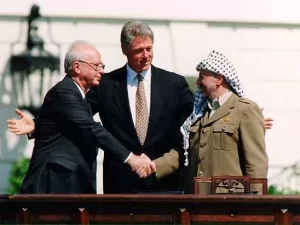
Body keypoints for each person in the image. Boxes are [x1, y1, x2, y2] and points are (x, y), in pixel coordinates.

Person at [8, 21, 273, 194]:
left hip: (165, 185)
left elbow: (200, 113)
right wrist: (39, 124)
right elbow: (77, 118)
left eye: (149, 48)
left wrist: (242, 115)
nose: (146, 55)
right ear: (125, 51)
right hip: (120, 186)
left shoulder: (175, 83)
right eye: (139, 51)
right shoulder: (106, 84)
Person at [9, 40, 153, 194]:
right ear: (77, 67)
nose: (102, 71)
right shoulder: (65, 92)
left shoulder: (79, 96)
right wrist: (131, 158)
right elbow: (91, 128)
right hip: (54, 186)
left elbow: (66, 121)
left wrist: (37, 124)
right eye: (96, 66)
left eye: (102, 66)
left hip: (71, 186)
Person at [180, 50, 268, 194]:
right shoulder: (200, 113)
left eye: (202, 77)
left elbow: (256, 164)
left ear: (219, 79)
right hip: (196, 202)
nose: (197, 83)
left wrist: (254, 204)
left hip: (229, 205)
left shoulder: (245, 109)